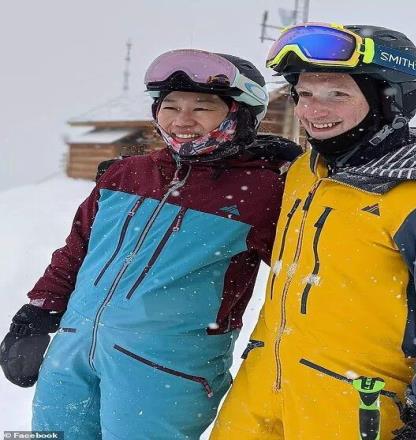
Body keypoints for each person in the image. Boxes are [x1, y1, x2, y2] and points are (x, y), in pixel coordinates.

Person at [210, 23, 416, 439]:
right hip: (259, 397)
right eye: (304, 94)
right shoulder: (304, 171)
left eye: (337, 95)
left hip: (359, 407)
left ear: (390, 100)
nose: (312, 111)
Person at [0, 49, 301, 439]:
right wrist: (38, 312)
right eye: (170, 106)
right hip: (71, 357)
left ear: (240, 114)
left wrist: (304, 176)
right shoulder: (127, 173)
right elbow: (77, 249)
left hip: (166, 371)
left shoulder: (264, 191)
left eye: (202, 108)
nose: (182, 120)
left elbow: (304, 276)